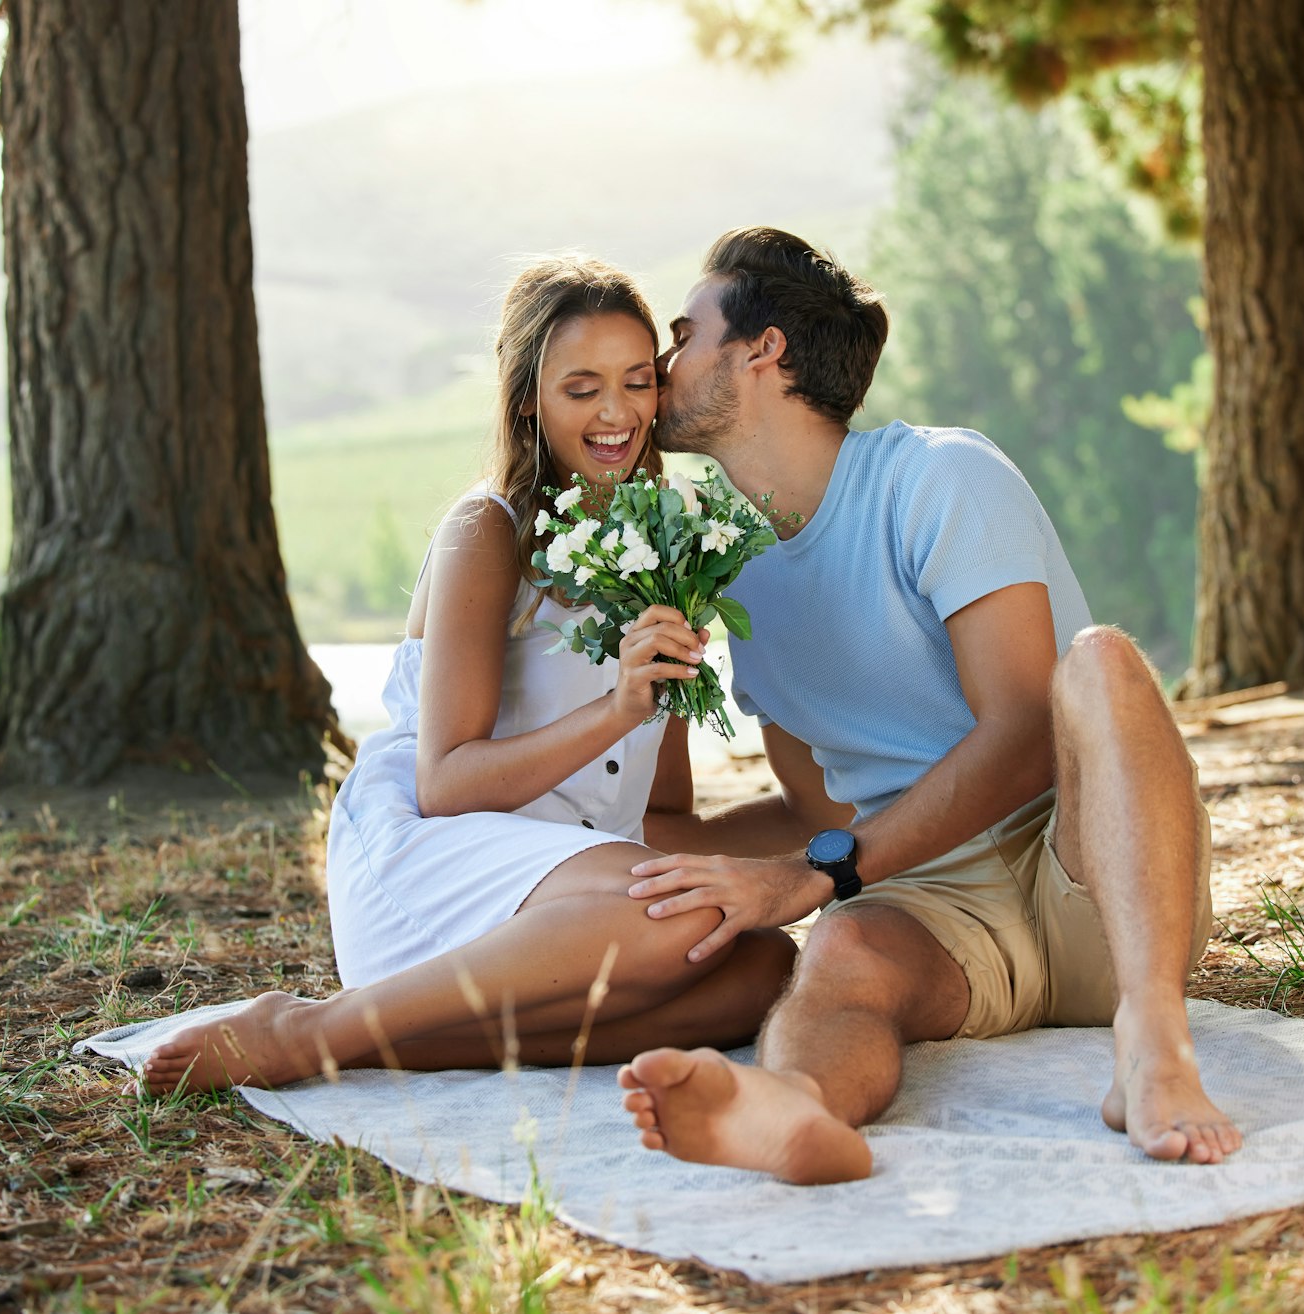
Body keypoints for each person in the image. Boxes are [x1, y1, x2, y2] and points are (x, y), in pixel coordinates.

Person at [615, 227, 1241, 1182]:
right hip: (936, 913)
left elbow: (1026, 738)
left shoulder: (939, 477)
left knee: (1101, 663)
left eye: (682, 334)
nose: (661, 364)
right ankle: (794, 1111)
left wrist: (812, 874)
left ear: (761, 351)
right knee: (842, 954)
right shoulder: (735, 579)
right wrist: (640, 860)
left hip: (1092, 870)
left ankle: (1154, 1043)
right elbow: (822, 818)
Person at [141, 257, 797, 1094]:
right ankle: (308, 1031)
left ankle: (390, 1046)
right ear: (527, 396)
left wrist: (818, 849)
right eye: (582, 387)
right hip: (435, 860)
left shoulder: (660, 553)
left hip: (574, 897)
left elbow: (660, 815)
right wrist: (618, 707)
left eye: (638, 381)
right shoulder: (486, 532)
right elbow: (446, 782)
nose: (617, 412)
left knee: (763, 962)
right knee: (686, 914)